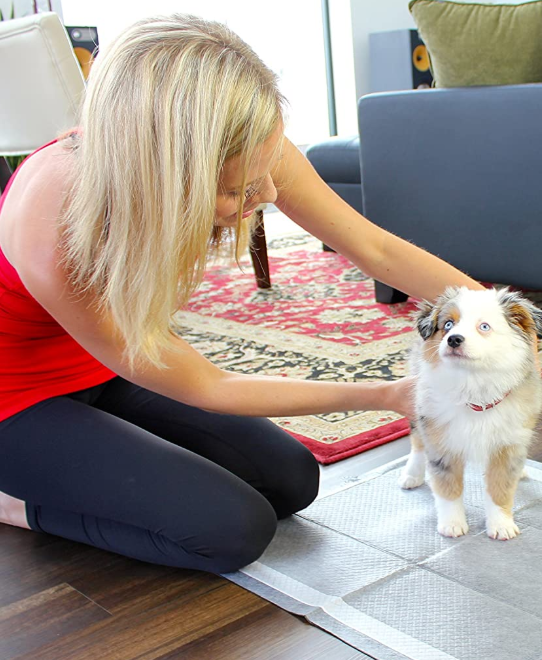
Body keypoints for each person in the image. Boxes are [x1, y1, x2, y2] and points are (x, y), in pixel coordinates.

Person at [0, 14, 482, 574]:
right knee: (231, 532)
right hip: (16, 400)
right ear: (163, 176)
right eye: (239, 191)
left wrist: (492, 315)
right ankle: (19, 504)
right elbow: (209, 384)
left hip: (107, 371)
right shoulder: (54, 225)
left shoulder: (244, 140)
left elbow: (373, 248)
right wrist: (391, 395)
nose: (272, 193)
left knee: (291, 481)